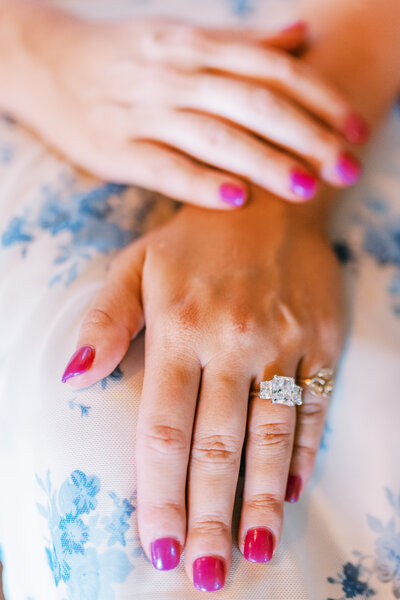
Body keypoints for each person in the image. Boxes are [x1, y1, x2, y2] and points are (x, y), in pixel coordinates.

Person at [0, 0, 399, 597]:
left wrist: (269, 206)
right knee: (110, 431)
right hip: (60, 70)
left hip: (349, 61)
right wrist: (37, 55)